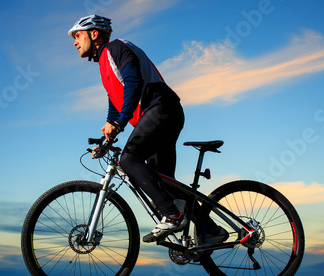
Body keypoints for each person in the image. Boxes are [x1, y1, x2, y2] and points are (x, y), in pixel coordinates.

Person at [68, 15, 226, 244]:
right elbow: (116, 102)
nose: (75, 42)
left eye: (78, 36)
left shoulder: (115, 48)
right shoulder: (104, 63)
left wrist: (120, 122)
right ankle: (210, 230)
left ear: (94, 34)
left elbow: (134, 82)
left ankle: (172, 216)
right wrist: (108, 134)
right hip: (161, 114)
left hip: (160, 110)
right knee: (165, 186)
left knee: (129, 160)